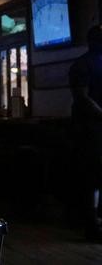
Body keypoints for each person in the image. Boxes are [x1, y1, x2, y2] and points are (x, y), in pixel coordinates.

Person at [69, 24, 102, 241]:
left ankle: (94, 222)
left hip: (92, 128)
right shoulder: (83, 64)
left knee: (94, 178)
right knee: (93, 178)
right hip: (90, 129)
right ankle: (92, 224)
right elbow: (82, 97)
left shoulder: (81, 64)